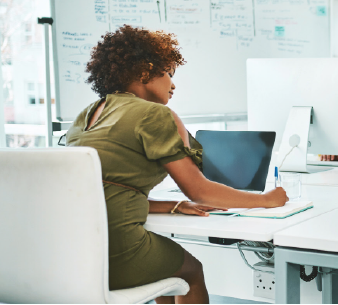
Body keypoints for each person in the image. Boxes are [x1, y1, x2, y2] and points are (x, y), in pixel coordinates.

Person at [65, 25, 288, 304]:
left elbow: (104, 192)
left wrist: (173, 206)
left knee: (165, 273)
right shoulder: (154, 114)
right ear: (145, 71)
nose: (173, 84)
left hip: (74, 251)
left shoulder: (87, 115)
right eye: (168, 73)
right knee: (189, 272)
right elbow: (200, 191)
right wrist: (267, 200)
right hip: (116, 251)